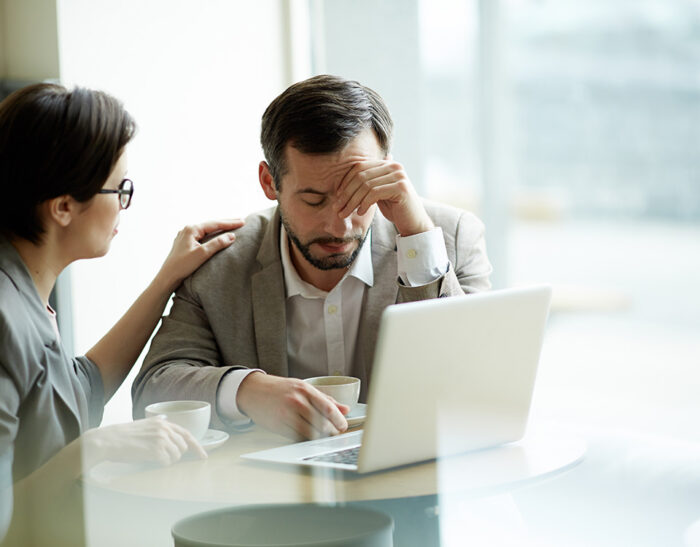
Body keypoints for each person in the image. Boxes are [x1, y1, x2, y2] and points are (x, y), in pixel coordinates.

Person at [132, 74, 492, 441]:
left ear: (386, 170)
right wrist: (247, 390)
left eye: (358, 195)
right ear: (269, 182)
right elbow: (154, 388)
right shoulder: (221, 260)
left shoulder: (448, 238)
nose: (339, 225)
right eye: (314, 200)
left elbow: (479, 385)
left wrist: (417, 240)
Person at [0, 83, 244, 545]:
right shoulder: (5, 315)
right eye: (120, 188)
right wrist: (92, 448)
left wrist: (167, 279)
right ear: (64, 207)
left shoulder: (24, 294)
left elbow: (80, 388)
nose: (124, 204)